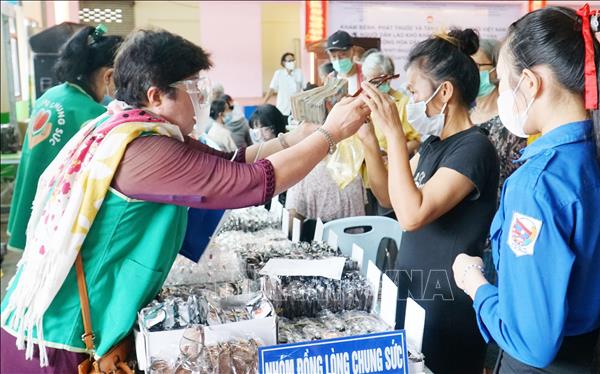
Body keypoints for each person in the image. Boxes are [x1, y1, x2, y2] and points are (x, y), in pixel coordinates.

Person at [0, 29, 369, 372]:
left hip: (58, 321)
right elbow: (251, 182)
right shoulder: (144, 149)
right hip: (60, 338)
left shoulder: (132, 127)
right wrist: (330, 134)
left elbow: (229, 163)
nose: (201, 99)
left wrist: (295, 139)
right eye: (192, 88)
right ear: (156, 95)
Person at [452, 6, 600, 373]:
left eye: (501, 82)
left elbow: (533, 341)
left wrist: (475, 285)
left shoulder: (537, 187)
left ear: (530, 84)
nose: (500, 97)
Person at [359, 29, 499, 373]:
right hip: (416, 293)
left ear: (445, 91)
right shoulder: (433, 144)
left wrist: (393, 133)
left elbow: (412, 215)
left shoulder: (474, 149)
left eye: (414, 91)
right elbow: (386, 196)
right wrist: (366, 137)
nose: (409, 101)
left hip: (447, 306)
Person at [6, 25, 122, 252]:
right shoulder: (91, 115)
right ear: (108, 75)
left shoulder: (52, 95)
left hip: (29, 199)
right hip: (53, 216)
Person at [470, 38, 526, 193]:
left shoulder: (512, 120)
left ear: (495, 69)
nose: (469, 73)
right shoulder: (463, 116)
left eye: (476, 66)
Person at [361, 51, 421, 155]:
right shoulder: (364, 104)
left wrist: (391, 155)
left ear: (390, 77)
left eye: (379, 80)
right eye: (371, 81)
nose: (375, 86)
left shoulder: (404, 103)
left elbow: (415, 141)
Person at [263, 52, 305, 119]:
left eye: (293, 60)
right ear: (283, 62)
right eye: (289, 61)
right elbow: (272, 89)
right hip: (282, 107)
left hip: (297, 107)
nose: (292, 62)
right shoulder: (279, 73)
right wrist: (264, 102)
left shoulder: (299, 72)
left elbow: (305, 88)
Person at [326, 30, 363, 94]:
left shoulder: (365, 74)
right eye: (334, 56)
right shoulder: (330, 79)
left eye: (342, 55)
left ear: (353, 51)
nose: (338, 60)